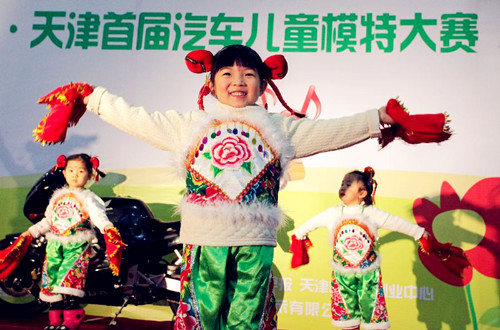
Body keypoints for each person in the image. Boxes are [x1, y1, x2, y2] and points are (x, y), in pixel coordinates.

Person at [39, 44, 447, 330]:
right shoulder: (189, 126)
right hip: (205, 241)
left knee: (247, 319)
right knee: (204, 315)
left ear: (263, 84)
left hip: (255, 242)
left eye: (249, 74)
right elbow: (136, 117)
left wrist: (381, 116)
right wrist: (90, 97)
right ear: (211, 82)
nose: (238, 81)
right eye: (228, 74)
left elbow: (333, 130)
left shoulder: (279, 128)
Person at [293, 167, 429, 330]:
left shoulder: (372, 213)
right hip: (342, 273)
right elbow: (310, 224)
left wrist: (419, 233)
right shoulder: (333, 213)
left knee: (372, 312)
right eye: (343, 183)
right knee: (347, 315)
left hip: (368, 274)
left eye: (349, 184)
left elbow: (397, 223)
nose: (343, 187)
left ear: (363, 193)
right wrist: (299, 234)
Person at [21, 153, 124, 330]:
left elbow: (99, 216)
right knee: (51, 282)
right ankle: (54, 322)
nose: (75, 174)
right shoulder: (57, 197)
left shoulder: (89, 198)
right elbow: (48, 220)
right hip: (54, 245)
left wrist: (107, 227)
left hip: (77, 246)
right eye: (71, 170)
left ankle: (71, 320)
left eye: (81, 170)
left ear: (90, 174)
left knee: (69, 281)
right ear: (64, 173)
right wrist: (31, 232)